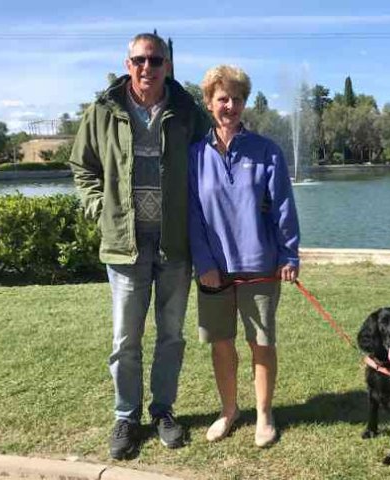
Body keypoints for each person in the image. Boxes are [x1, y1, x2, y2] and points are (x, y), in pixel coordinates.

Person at [69, 32, 210, 460]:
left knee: (171, 336)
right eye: (139, 60)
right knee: (125, 340)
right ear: (126, 64)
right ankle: (126, 417)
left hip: (174, 246)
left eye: (155, 59)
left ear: (167, 64)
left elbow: (210, 164)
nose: (146, 67)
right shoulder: (103, 112)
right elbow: (82, 166)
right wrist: (99, 208)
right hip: (124, 245)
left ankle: (163, 411)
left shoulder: (188, 112)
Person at [188, 65, 300, 448]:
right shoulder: (195, 155)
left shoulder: (267, 151)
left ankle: (264, 415)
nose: (231, 105)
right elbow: (192, 214)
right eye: (223, 98)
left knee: (261, 343)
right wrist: (203, 264)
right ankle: (229, 410)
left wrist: (289, 255)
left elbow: (284, 207)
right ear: (209, 103)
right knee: (221, 342)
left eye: (237, 98)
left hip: (261, 267)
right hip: (213, 271)